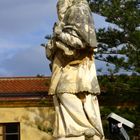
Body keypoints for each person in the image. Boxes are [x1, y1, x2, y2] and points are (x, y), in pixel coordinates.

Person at [45, 0, 104, 139]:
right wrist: (53, 43)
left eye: (61, 7)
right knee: (61, 94)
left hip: (79, 66)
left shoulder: (79, 10)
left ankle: (84, 127)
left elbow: (85, 41)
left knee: (65, 93)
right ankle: (74, 129)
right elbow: (49, 52)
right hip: (64, 67)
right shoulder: (63, 22)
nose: (59, 12)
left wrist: (60, 35)